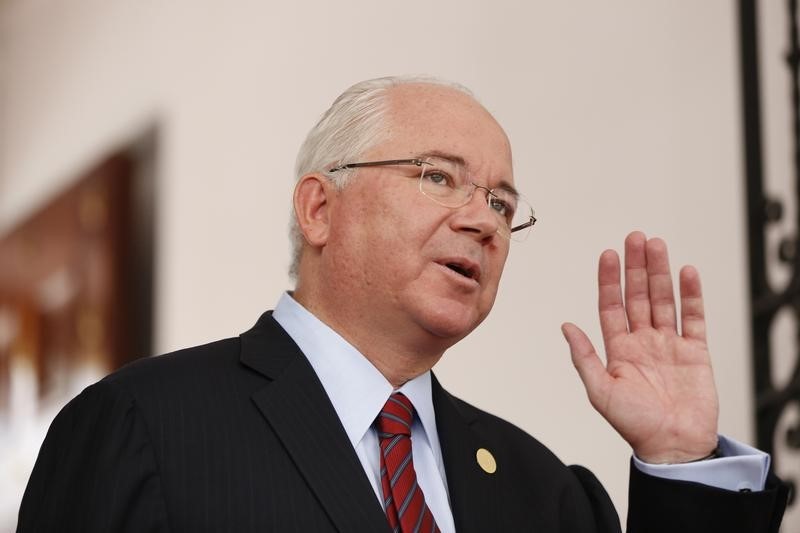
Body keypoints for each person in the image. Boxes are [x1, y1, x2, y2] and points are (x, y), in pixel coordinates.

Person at [17, 76, 788, 532]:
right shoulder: (144, 426)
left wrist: (680, 463)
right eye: (436, 176)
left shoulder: (542, 490)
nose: (482, 217)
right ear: (320, 208)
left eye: (501, 200)